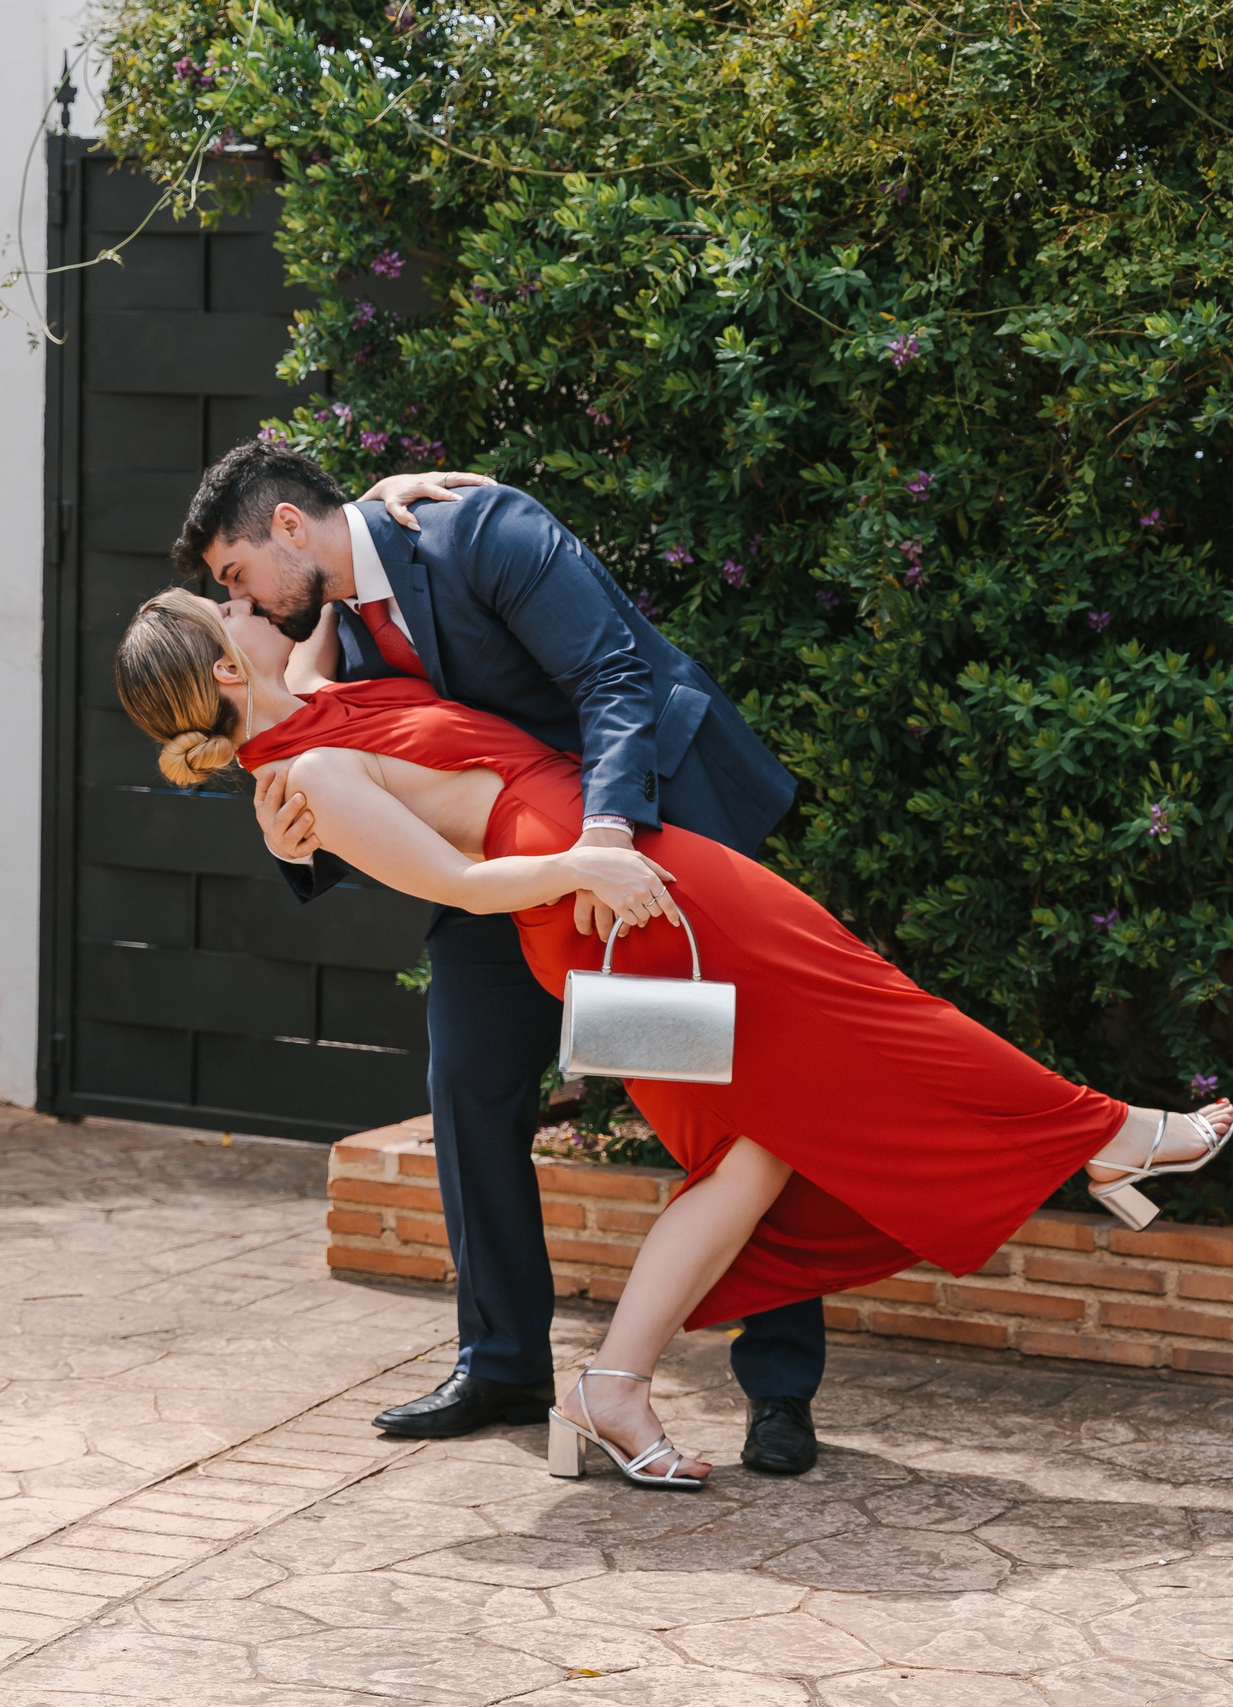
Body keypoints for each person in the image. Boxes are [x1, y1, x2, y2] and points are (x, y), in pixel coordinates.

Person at [114, 589, 1233, 1487]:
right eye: (230, 603)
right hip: (623, 919)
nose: (251, 596)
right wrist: (581, 864)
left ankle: (610, 1389)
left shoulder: (313, 691)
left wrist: (399, 488)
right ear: (223, 667)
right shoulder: (307, 770)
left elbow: (326, 570)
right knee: (868, 1006)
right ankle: (1113, 1138)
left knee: (750, 1154)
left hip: (632, 905)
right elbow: (452, 879)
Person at [175, 443, 836, 1475]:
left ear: (289, 531)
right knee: (470, 1080)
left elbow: (614, 678)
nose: (241, 599)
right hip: (507, 882)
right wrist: (286, 843)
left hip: (639, 850)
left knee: (724, 1096)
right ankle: (502, 1362)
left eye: (236, 575)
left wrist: (607, 844)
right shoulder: (327, 623)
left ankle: (780, 1385)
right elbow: (330, 764)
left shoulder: (480, 531)